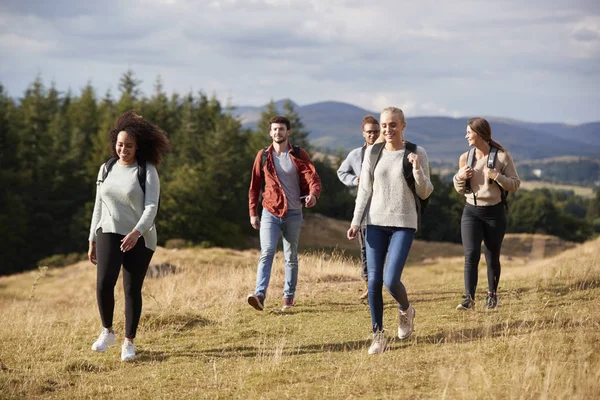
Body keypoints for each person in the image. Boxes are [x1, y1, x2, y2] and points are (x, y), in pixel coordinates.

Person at [347, 107, 433, 354]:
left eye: (393, 125)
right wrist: (355, 222)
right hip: (374, 222)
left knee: (390, 279)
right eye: (384, 125)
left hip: (404, 223)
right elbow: (364, 190)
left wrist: (417, 169)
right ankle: (378, 335)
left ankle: (406, 309)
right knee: (373, 281)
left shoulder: (417, 152)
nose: (387, 130)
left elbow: (426, 191)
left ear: (403, 126)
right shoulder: (373, 152)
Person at [88, 110, 170, 361]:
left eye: (129, 145)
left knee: (131, 289)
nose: (123, 149)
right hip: (108, 229)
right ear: (115, 143)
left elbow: (151, 208)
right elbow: (98, 205)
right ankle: (107, 331)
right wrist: (92, 238)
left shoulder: (146, 171)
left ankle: (128, 342)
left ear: (138, 147)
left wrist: (136, 232)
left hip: (140, 236)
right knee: (103, 283)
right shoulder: (107, 168)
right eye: (120, 144)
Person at [247, 116, 321, 312]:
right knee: (267, 252)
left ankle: (288, 297)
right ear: (270, 132)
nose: (277, 133)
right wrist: (253, 212)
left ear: (288, 132)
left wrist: (313, 195)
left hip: (294, 213)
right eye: (274, 130)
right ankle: (260, 294)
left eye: (281, 129)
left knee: (290, 256)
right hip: (270, 211)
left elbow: (312, 177)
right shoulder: (263, 155)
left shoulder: (298, 153)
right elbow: (254, 186)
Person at [453, 117, 520, 311]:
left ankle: (492, 296)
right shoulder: (465, 157)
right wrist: (460, 177)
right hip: (471, 212)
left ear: (480, 134)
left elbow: (515, 184)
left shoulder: (502, 157)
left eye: (469, 132)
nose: (466, 136)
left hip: (495, 212)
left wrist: (496, 176)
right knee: (471, 254)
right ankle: (469, 299)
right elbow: (460, 189)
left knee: (492, 255)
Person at [337, 115, 381, 299]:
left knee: (383, 251)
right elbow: (341, 171)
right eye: (369, 132)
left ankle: (379, 282)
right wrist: (355, 180)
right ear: (363, 133)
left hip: (386, 210)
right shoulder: (355, 155)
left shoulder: (387, 152)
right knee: (365, 250)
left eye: (376, 132)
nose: (373, 135)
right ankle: (369, 286)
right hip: (364, 212)